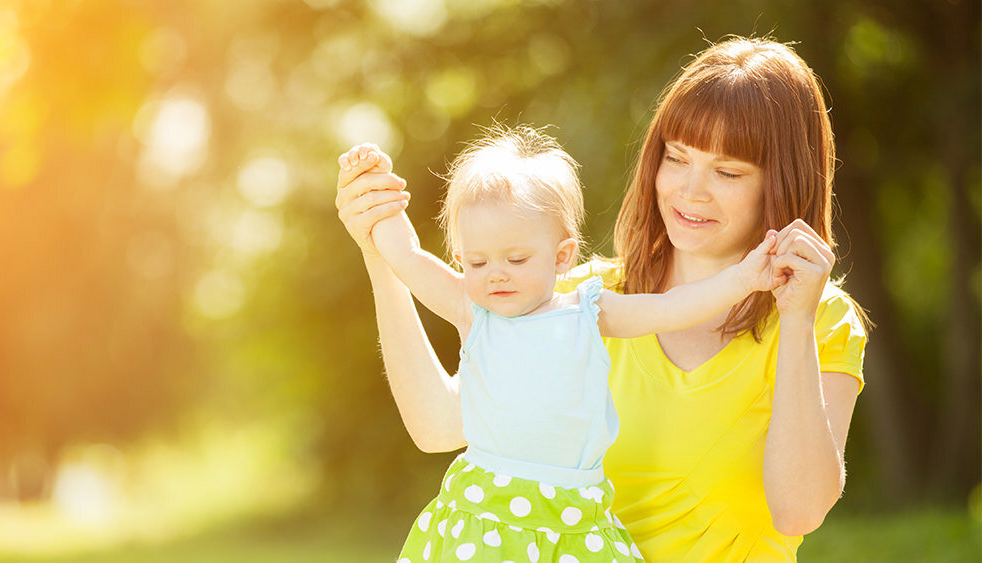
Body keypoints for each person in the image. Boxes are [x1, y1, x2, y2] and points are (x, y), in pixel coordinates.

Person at [335, 37, 868, 562]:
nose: (690, 190)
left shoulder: (821, 318)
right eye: (677, 158)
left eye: (727, 172)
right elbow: (441, 428)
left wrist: (794, 318)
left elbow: (798, 512)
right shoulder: (580, 301)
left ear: (782, 182)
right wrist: (380, 257)